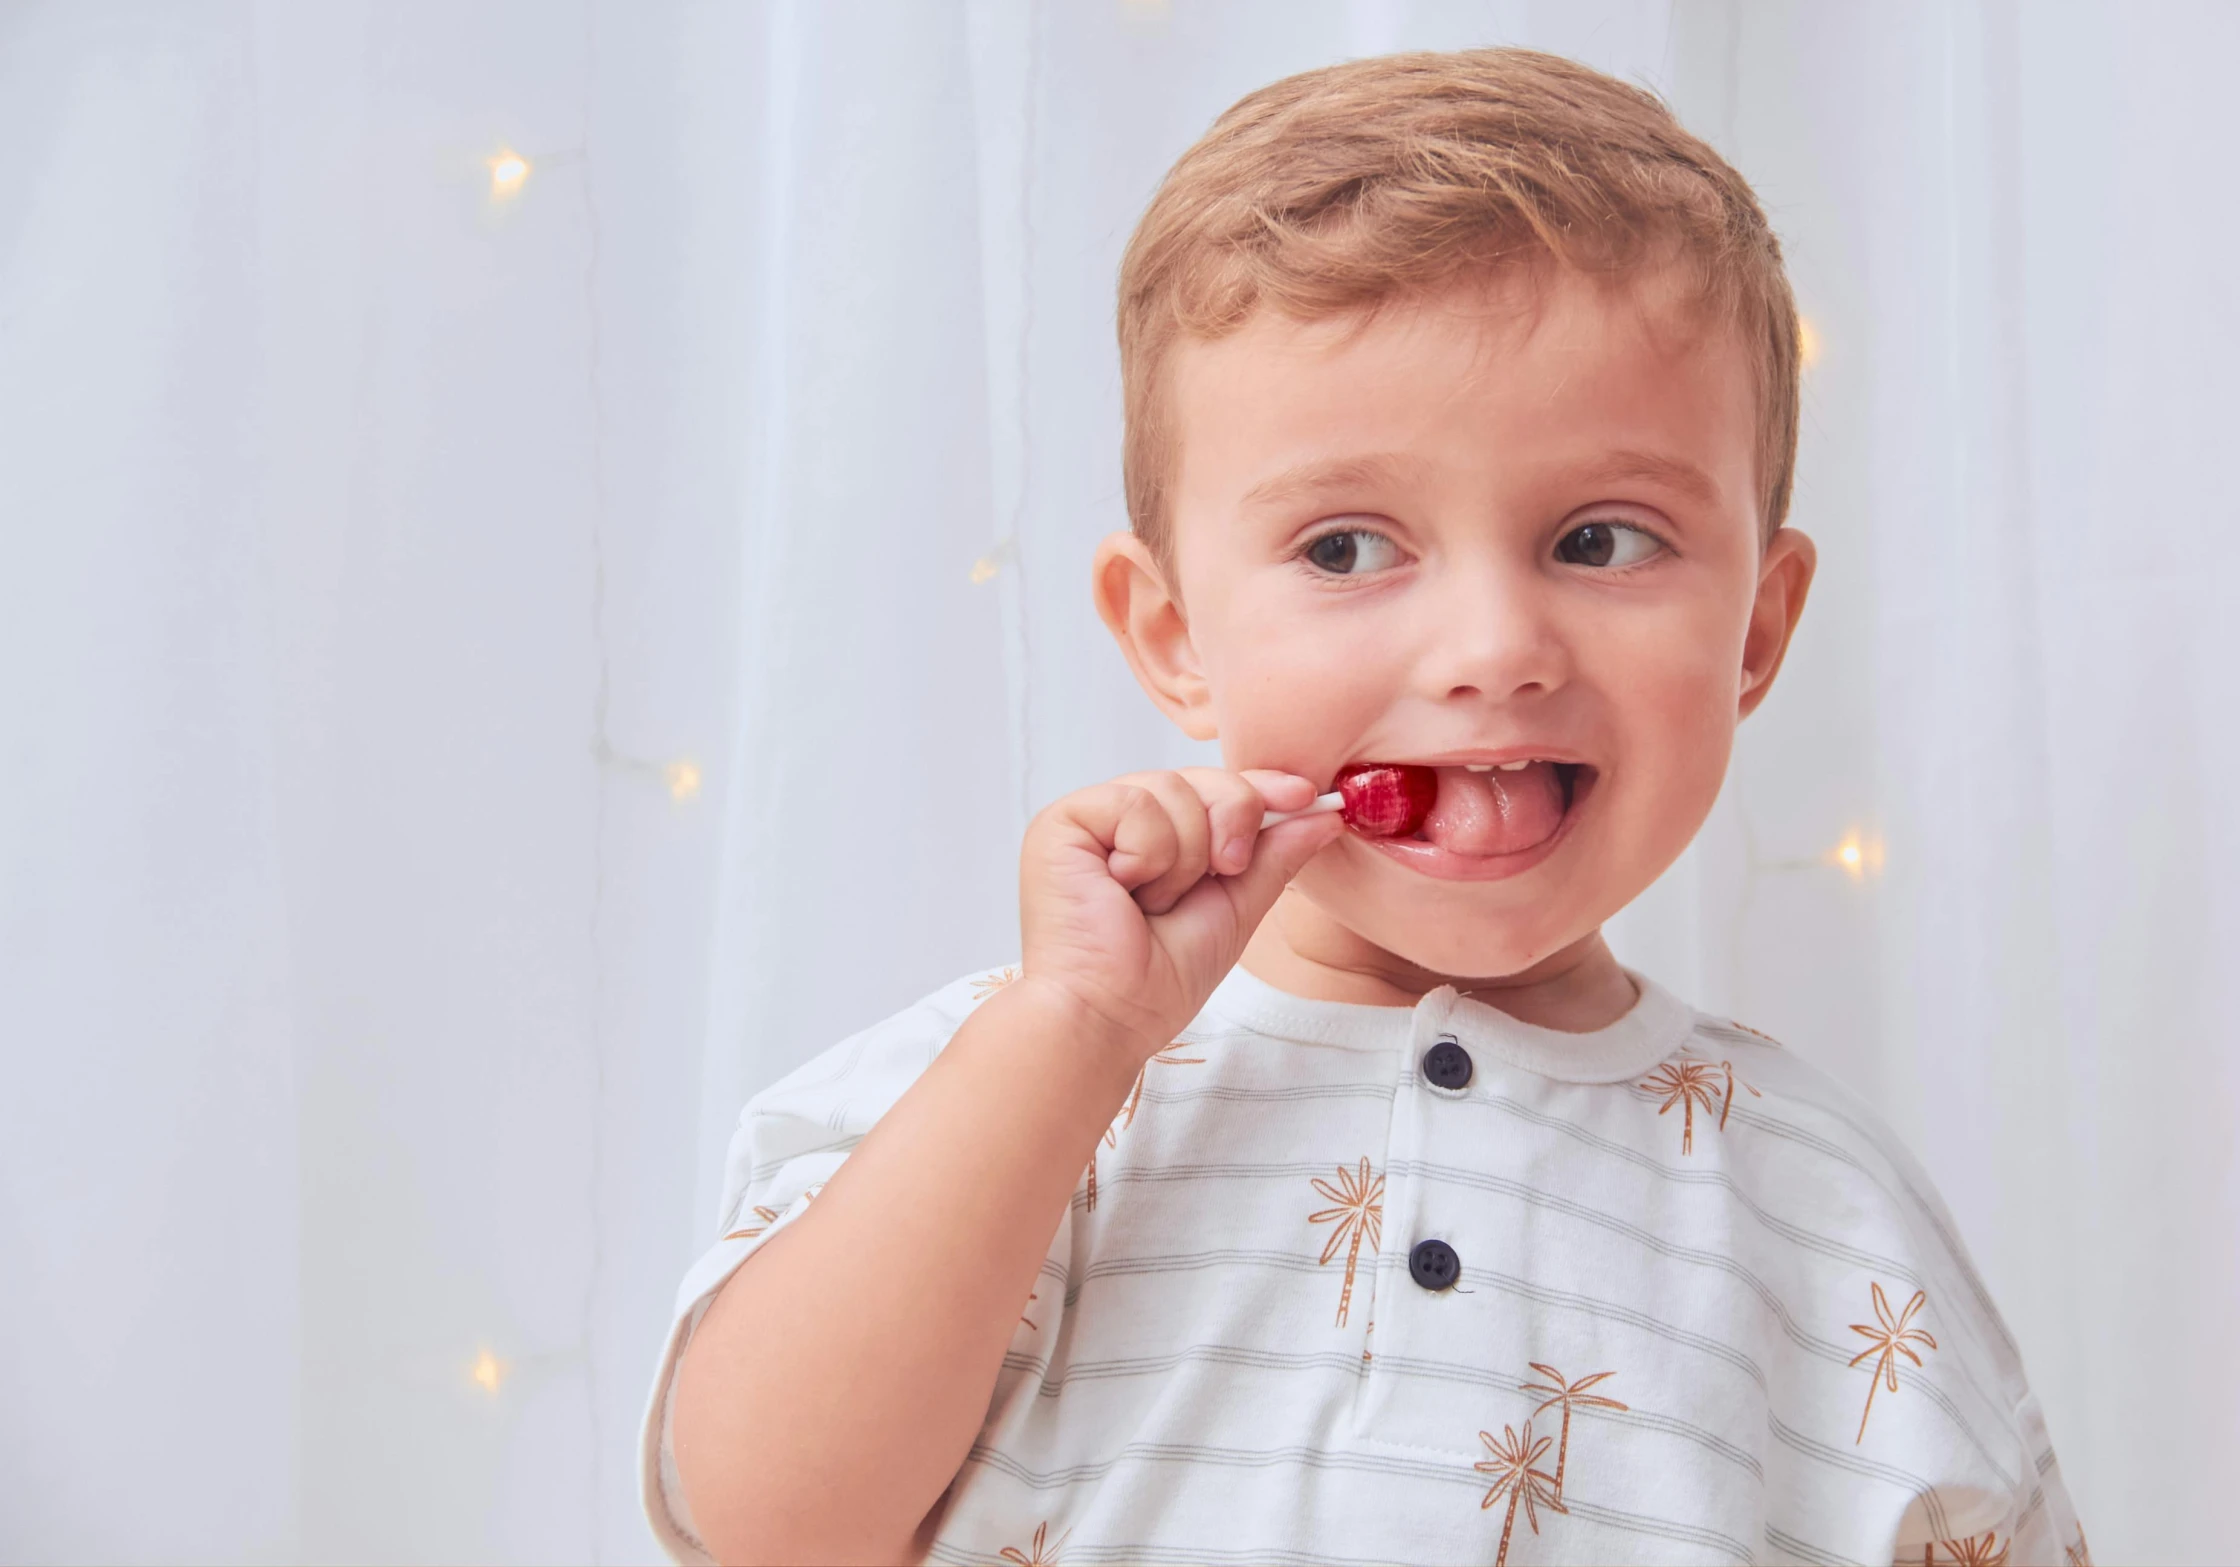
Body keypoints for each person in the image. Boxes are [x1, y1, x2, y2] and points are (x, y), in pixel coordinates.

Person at [648, 48, 2087, 1566]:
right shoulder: (1006, 1095)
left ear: (1755, 629)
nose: (1490, 654)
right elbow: (760, 1521)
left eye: (1600, 539)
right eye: (1345, 549)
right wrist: (1070, 1031)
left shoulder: (1828, 1211)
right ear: (1172, 634)